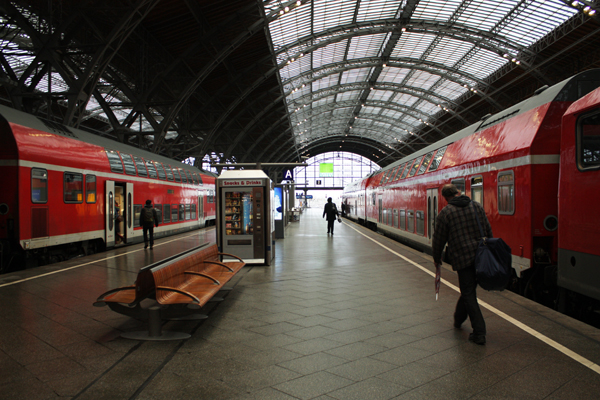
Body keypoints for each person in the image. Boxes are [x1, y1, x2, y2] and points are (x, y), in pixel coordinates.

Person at [432, 184, 492, 345]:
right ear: (458, 192)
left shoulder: (446, 213)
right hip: (481, 257)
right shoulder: (476, 206)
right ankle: (458, 319)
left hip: (462, 258)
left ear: (446, 198)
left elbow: (439, 239)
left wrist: (437, 258)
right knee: (468, 290)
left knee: (468, 293)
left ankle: (479, 332)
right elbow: (488, 230)